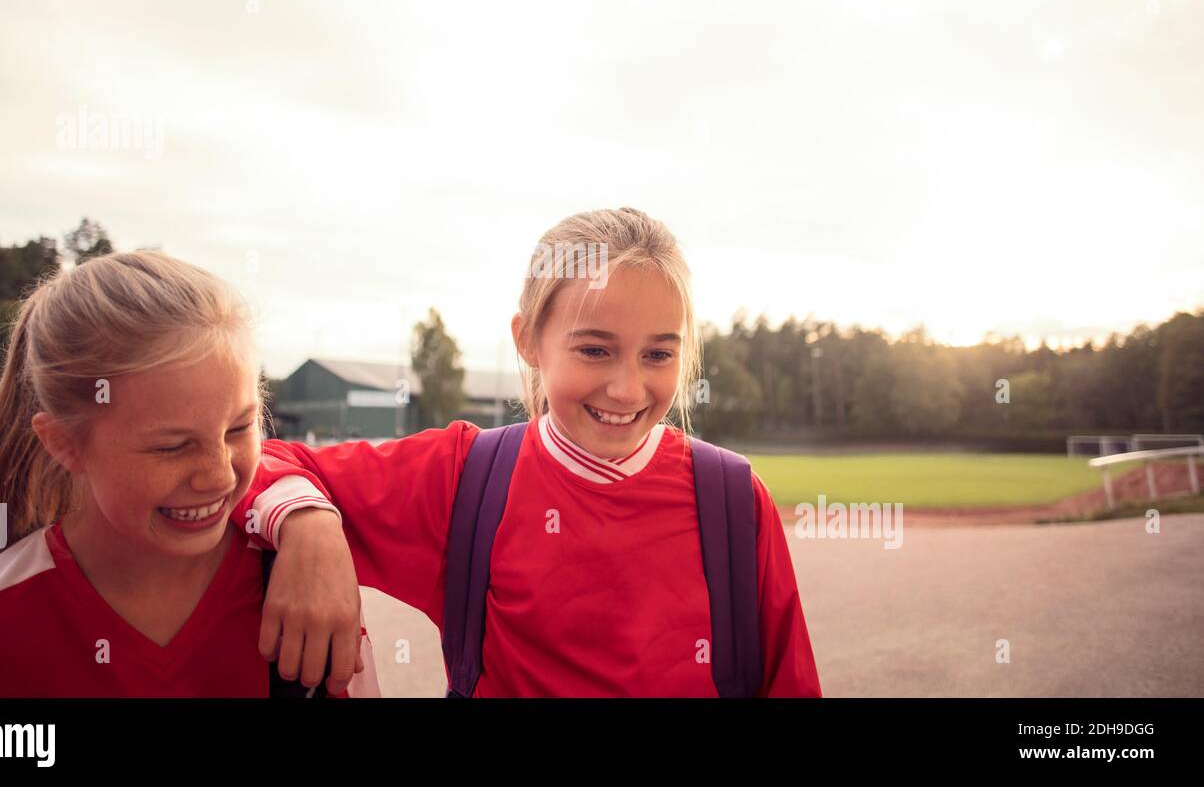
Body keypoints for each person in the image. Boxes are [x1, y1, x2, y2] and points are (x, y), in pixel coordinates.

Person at [242, 207, 822, 696]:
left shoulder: (731, 499)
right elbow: (253, 463)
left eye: (658, 355)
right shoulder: (463, 477)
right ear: (527, 340)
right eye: (595, 350)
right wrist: (309, 522)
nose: (626, 389)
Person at [0, 251, 377, 697]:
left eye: (239, 427)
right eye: (171, 447)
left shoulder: (306, 602)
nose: (217, 476)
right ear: (64, 444)